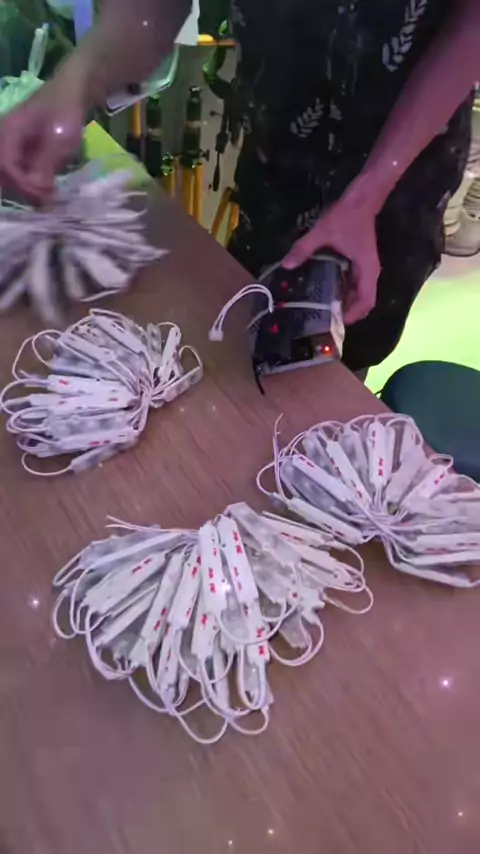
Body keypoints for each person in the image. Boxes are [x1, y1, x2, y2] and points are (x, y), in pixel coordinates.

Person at [0, 1, 478, 373]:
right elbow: (153, 10)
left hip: (404, 158)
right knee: (252, 332)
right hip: (278, 143)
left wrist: (370, 191)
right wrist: (72, 88)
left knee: (335, 358)